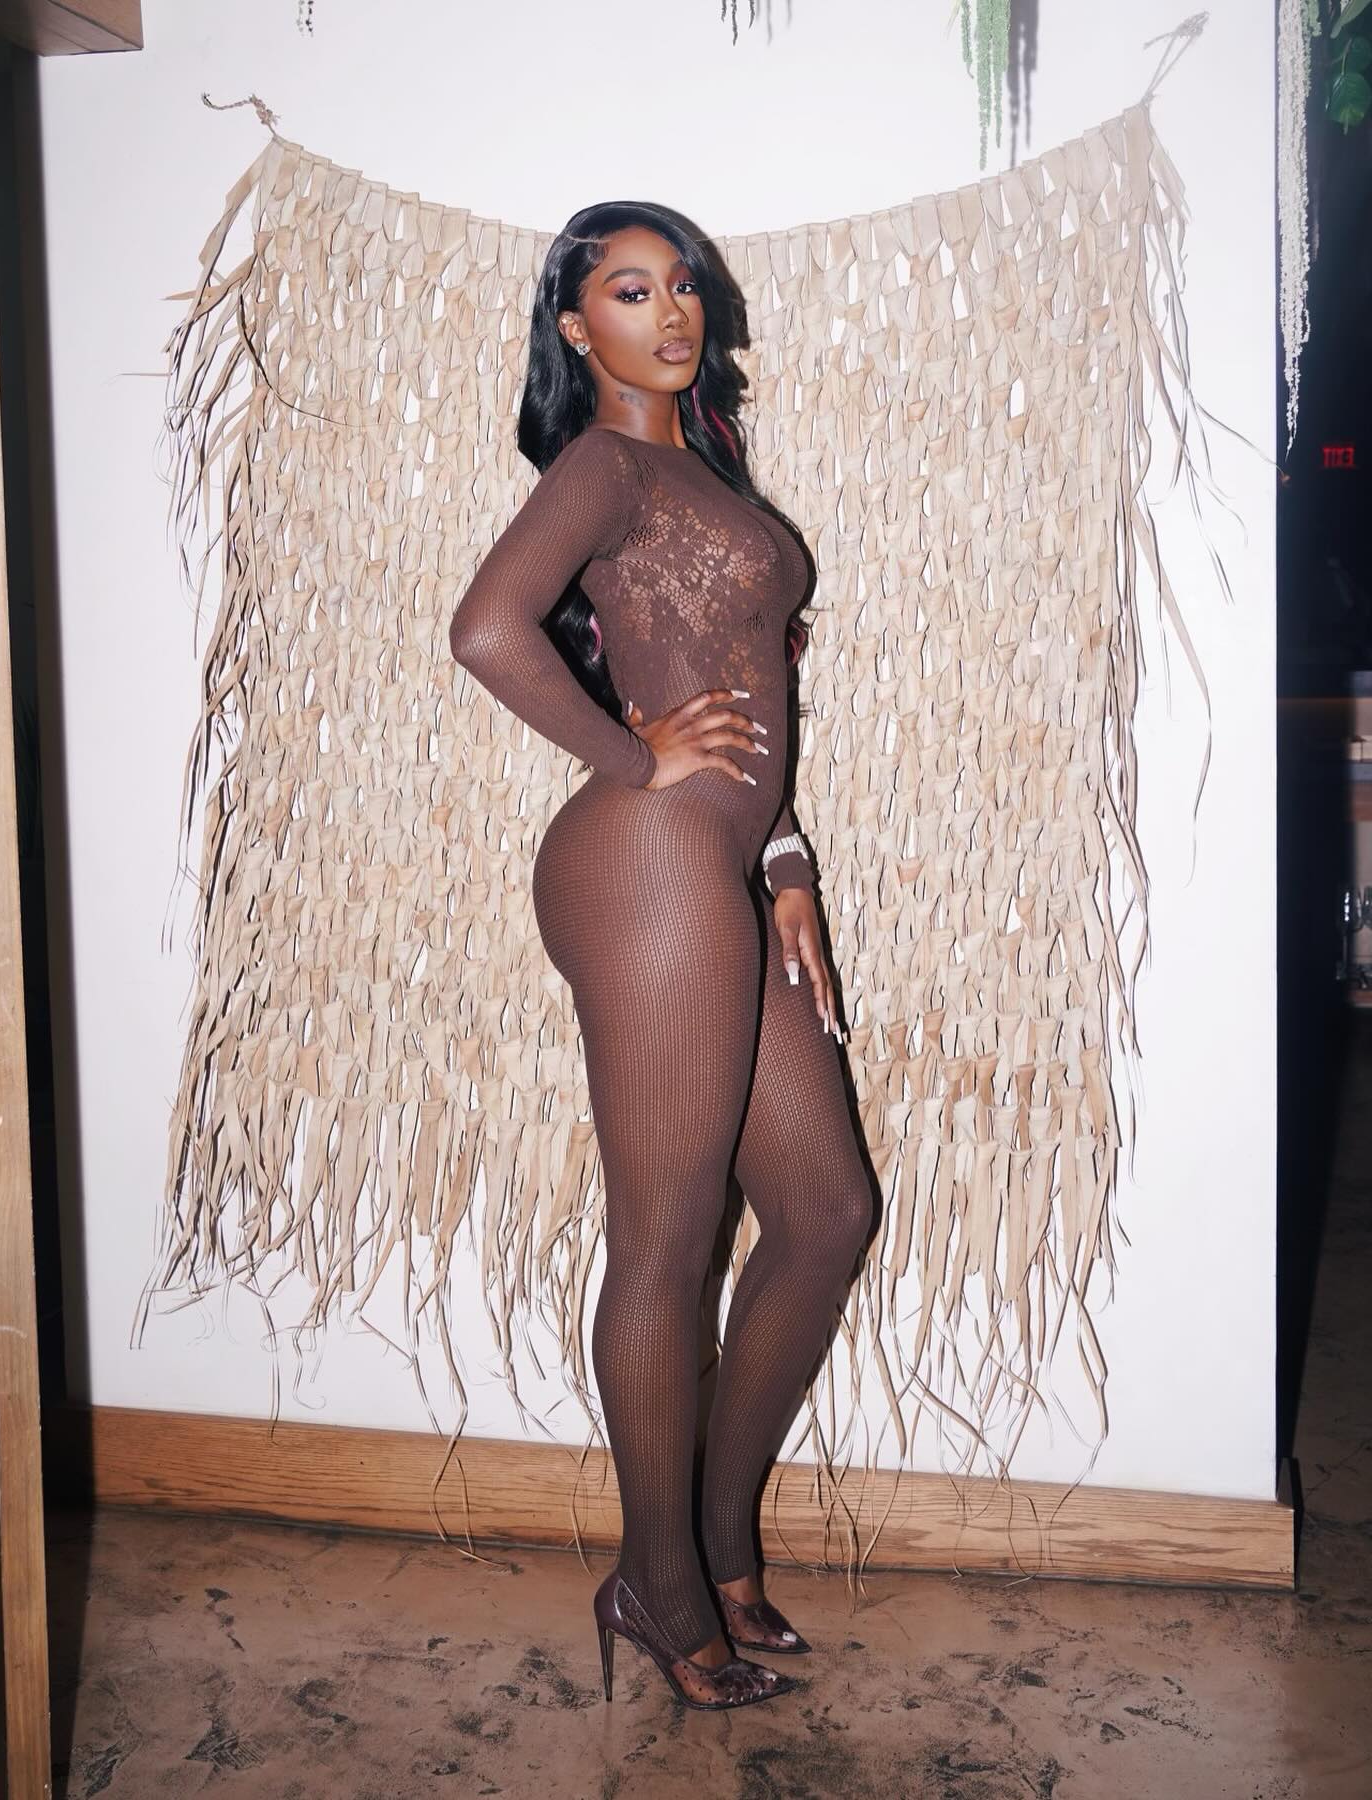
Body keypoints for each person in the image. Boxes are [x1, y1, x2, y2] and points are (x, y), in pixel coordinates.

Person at [448, 201, 874, 1712]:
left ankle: (713, 1540)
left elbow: (744, 700)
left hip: (723, 872)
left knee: (824, 1211)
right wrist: (635, 761)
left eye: (681, 285)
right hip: (642, 865)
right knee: (667, 1242)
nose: (671, 311)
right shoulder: (606, 466)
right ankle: (662, 1586)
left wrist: (786, 865)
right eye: (631, 292)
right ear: (578, 328)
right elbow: (488, 630)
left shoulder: (700, 470)